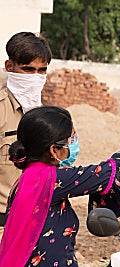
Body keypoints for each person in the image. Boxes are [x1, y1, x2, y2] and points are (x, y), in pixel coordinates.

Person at [0, 105, 120, 267]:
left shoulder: (26, 180)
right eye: (70, 141)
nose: (74, 145)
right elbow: (112, 171)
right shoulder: (50, 180)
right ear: (54, 150)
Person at [0, 32, 52, 227]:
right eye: (28, 70)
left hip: (34, 220)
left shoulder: (47, 117)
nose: (35, 77)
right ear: (9, 67)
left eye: (42, 70)